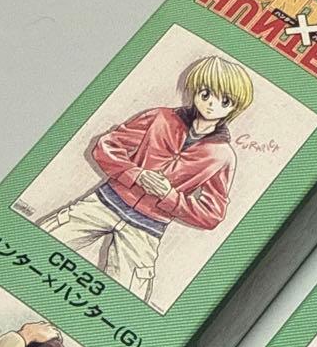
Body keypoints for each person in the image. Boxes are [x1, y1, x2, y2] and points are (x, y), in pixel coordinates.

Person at [36, 55, 254, 302]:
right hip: (103, 203)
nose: (212, 104)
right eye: (206, 94)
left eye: (224, 101)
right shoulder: (160, 118)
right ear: (195, 90)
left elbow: (211, 214)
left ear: (234, 107)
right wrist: (136, 174)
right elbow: (107, 146)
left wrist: (169, 196)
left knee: (124, 300)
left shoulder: (222, 156)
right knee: (39, 245)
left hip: (146, 229)